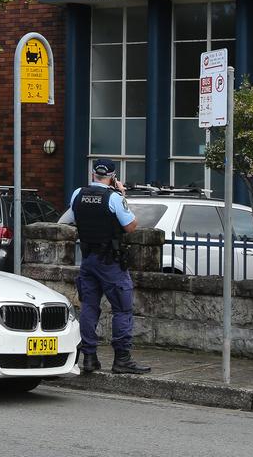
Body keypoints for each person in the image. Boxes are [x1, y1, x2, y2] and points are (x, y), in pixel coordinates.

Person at [59, 158, 150, 375]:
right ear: (112, 176)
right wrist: (122, 195)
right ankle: (122, 359)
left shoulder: (78, 194)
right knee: (122, 309)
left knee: (89, 307)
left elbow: (65, 221)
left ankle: (89, 358)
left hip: (88, 260)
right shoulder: (114, 197)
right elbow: (130, 226)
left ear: (93, 174)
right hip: (110, 262)